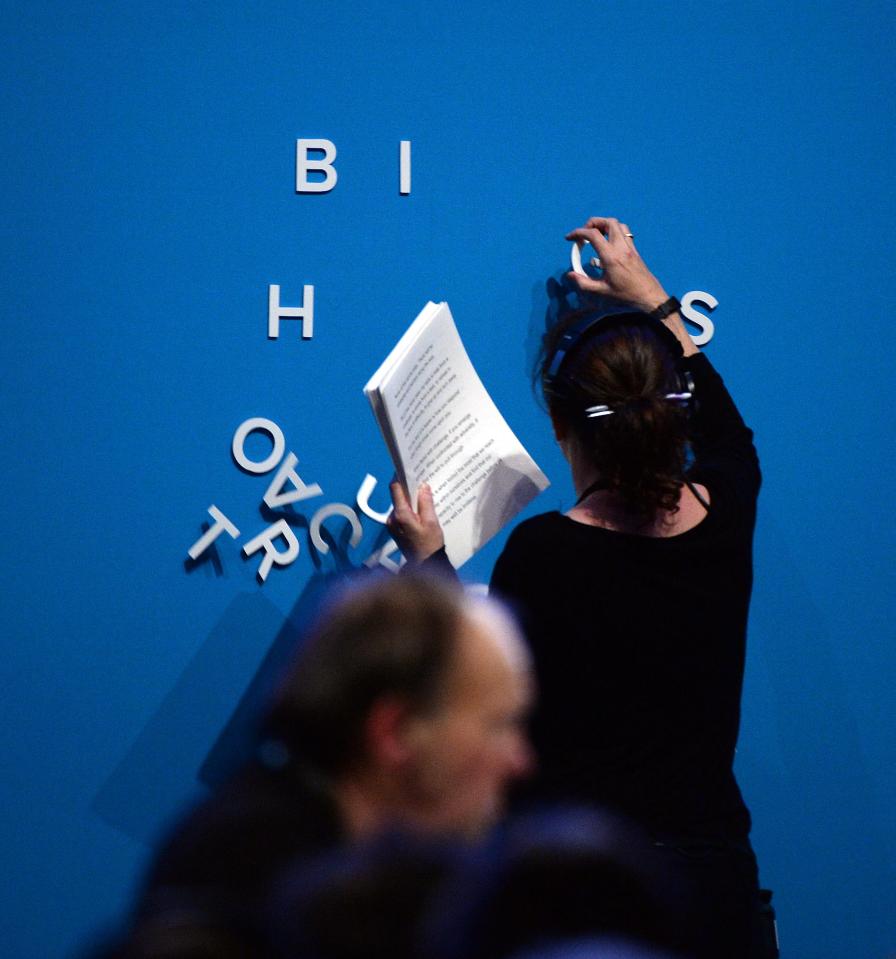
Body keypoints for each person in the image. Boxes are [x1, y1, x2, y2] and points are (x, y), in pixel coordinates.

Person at [387, 217, 773, 958]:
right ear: (673, 412)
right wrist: (653, 295)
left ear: (563, 427)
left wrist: (428, 557)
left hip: (581, 892)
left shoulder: (548, 552)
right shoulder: (727, 511)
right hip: (714, 885)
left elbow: (475, 686)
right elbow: (732, 437)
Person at [125, 572, 534, 944]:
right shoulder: (251, 885)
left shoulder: (391, 873)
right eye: (498, 724)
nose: (521, 761)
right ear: (394, 731)